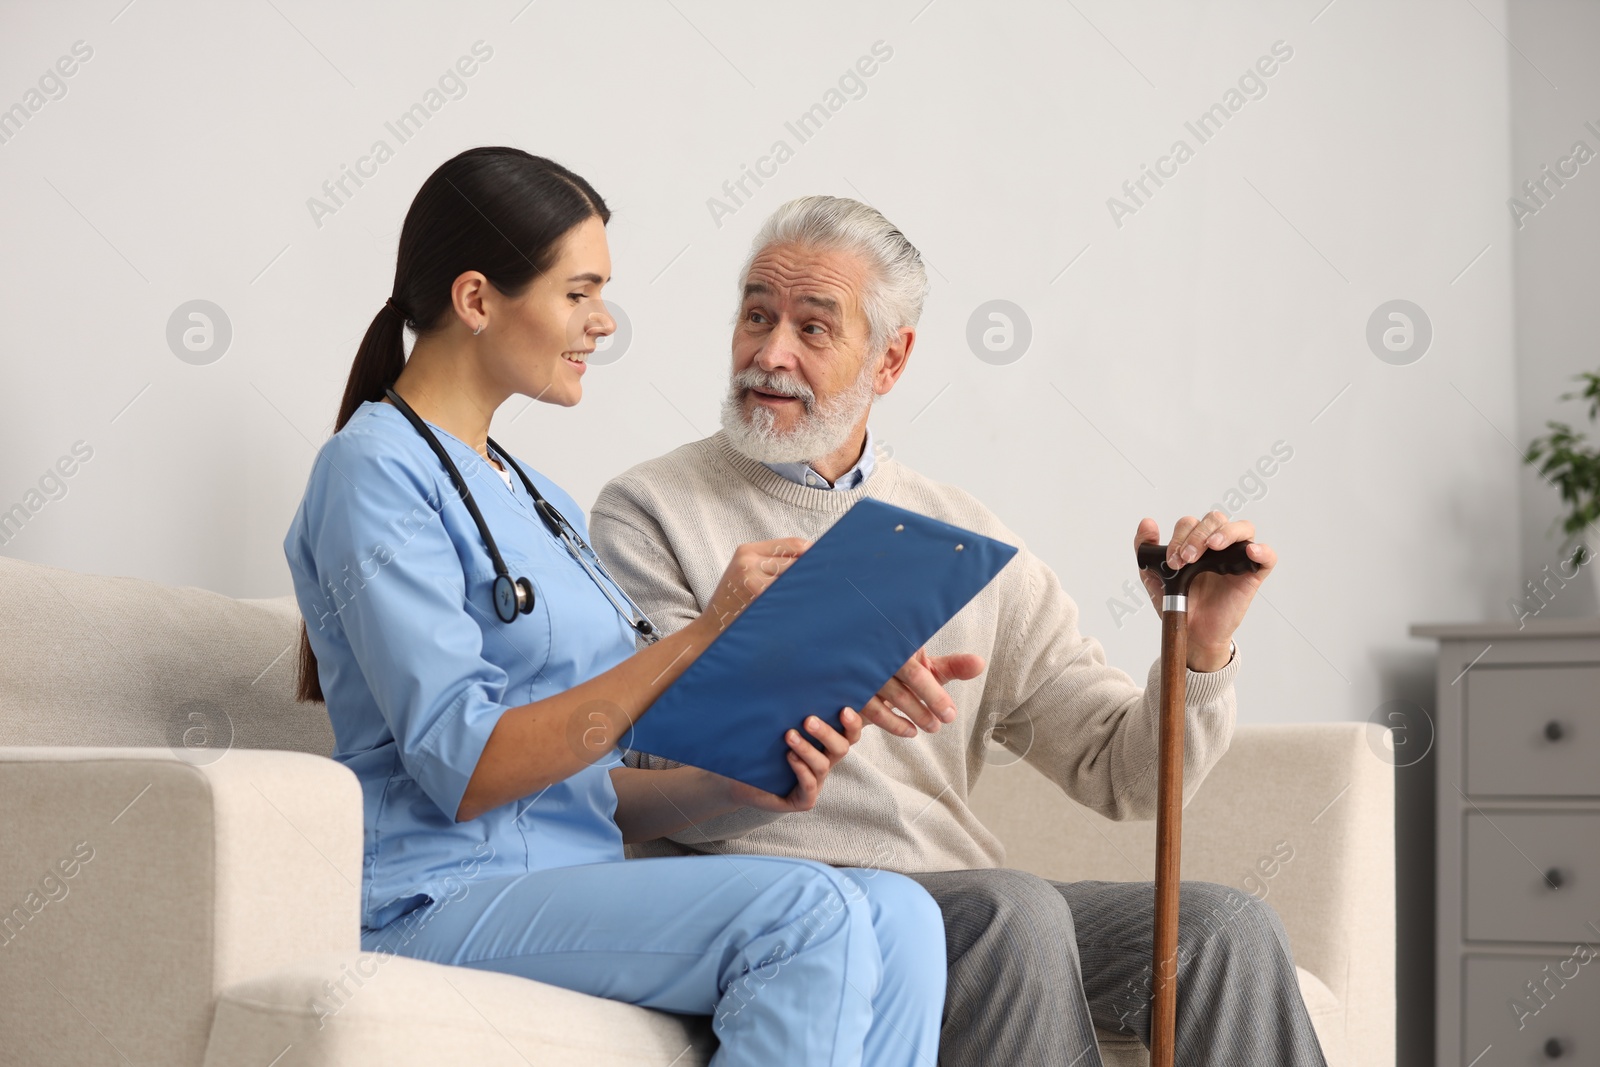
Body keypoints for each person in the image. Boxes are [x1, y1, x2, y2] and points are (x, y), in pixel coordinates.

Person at [589, 195, 1328, 1066]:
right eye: (757, 315)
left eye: (813, 328)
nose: (769, 353)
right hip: (770, 891)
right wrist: (823, 660)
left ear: (891, 359)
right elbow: (653, 766)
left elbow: (1126, 778)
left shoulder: (965, 537)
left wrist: (1198, 646)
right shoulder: (648, 510)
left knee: (1225, 929)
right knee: (1012, 909)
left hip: (950, 892)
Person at [282, 151, 946, 1067]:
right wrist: (710, 630)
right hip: (436, 896)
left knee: (903, 912)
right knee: (805, 912)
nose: (603, 322)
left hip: (567, 883)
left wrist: (732, 790)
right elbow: (466, 768)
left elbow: (584, 791)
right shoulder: (373, 472)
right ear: (477, 299)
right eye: (580, 292)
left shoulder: (534, 494)